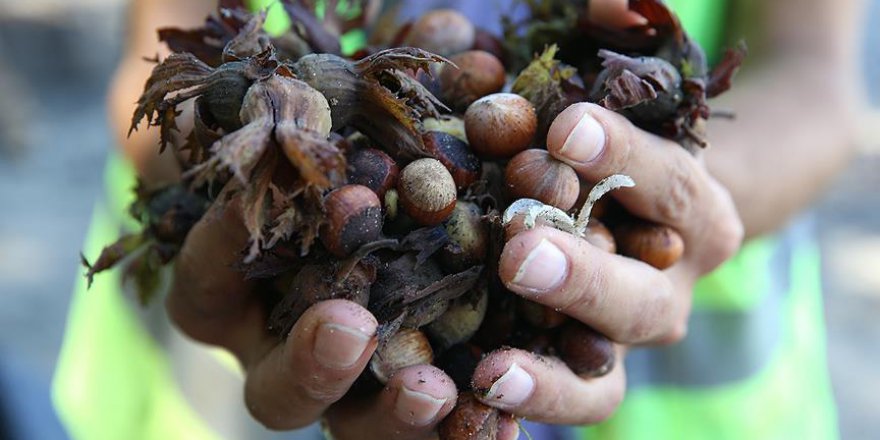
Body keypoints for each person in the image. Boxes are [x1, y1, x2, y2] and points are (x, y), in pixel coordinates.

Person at [52, 0, 868, 439]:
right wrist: (221, 164)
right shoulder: (402, 173)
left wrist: (683, 198)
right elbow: (153, 65)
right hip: (228, 363)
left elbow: (815, 80)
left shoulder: (462, 176)